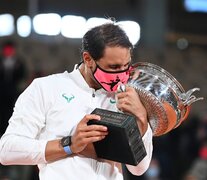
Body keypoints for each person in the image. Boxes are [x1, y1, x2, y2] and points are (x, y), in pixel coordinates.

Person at [0, 22, 153, 180]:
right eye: (113, 67)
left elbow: (139, 169)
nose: (121, 75)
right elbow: (6, 150)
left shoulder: (127, 99)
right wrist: (69, 144)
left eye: (126, 66)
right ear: (88, 59)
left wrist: (142, 117)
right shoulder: (46, 88)